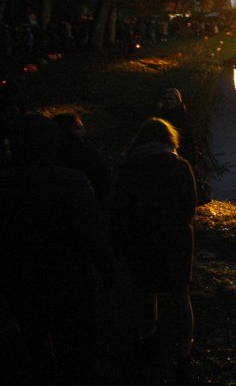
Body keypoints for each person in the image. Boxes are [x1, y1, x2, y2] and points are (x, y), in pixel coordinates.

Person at [0, 113, 115, 384]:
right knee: (74, 346)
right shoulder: (70, 182)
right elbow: (92, 232)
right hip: (69, 279)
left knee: (31, 340)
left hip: (19, 281)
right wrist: (108, 271)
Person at [112, 118, 197, 377]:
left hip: (140, 237)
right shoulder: (180, 166)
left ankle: (146, 338)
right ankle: (184, 351)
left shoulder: (128, 168)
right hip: (175, 238)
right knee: (179, 294)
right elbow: (190, 205)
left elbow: (121, 206)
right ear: (169, 139)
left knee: (145, 291)